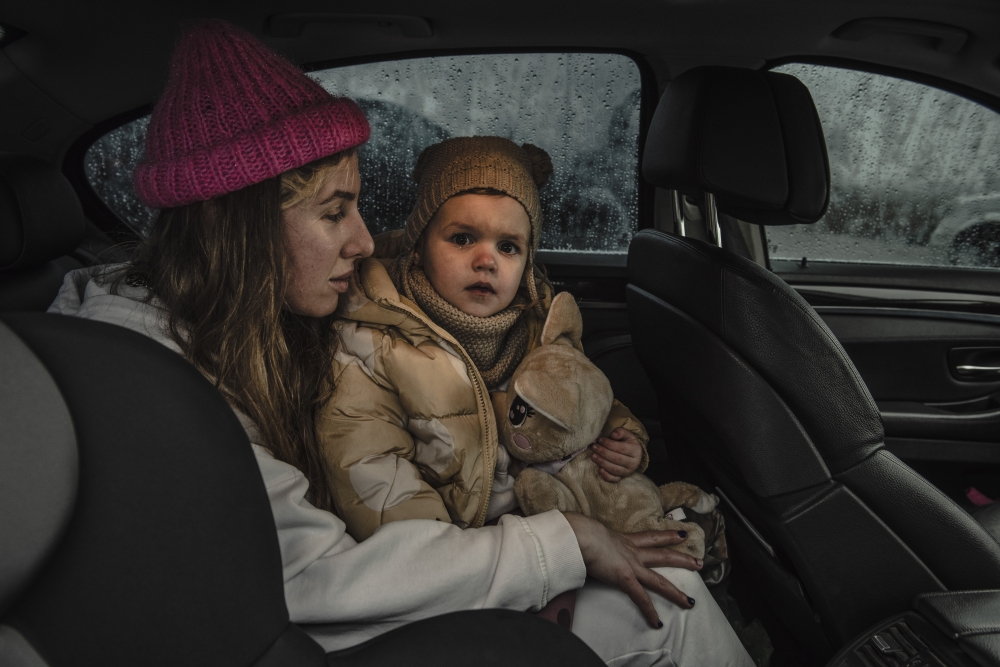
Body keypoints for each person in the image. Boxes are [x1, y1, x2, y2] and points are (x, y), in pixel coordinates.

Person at [48, 20, 752, 666]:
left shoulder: (233, 323)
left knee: (662, 594)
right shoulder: (150, 388)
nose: (361, 240)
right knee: (667, 613)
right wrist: (563, 546)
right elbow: (306, 582)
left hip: (372, 590)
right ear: (239, 226)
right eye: (335, 211)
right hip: (319, 634)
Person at [317, 136, 654, 542]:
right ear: (419, 247)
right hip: (461, 554)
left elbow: (584, 399)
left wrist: (625, 440)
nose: (486, 260)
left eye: (508, 246)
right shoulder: (370, 342)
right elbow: (384, 492)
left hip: (553, 519)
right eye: (462, 238)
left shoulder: (538, 328)